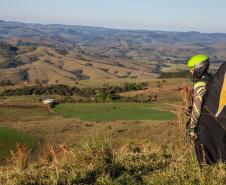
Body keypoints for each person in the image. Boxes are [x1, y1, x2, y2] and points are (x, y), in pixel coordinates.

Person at [186, 54, 212, 139]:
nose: (190, 71)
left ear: (199, 69)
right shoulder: (211, 79)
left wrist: (191, 128)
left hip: (204, 124)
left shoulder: (200, 84)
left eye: (192, 69)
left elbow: (197, 109)